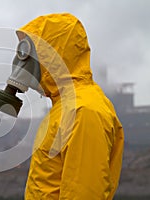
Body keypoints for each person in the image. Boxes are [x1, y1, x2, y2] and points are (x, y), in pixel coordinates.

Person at [18, 13, 124, 199]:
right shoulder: (66, 107)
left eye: (31, 55)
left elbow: (84, 193)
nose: (24, 65)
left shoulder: (83, 111)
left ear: (52, 55)